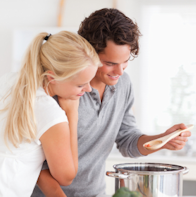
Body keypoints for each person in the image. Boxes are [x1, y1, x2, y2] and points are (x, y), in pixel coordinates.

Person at [32, 9, 191, 197]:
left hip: (96, 193)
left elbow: (127, 140)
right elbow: (35, 163)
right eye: (109, 63)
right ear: (88, 53)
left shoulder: (123, 84)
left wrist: (162, 140)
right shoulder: (58, 91)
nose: (120, 71)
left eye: (125, 61)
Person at [0, 31, 101, 197]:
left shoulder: (7, 80)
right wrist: (71, 112)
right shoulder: (49, 113)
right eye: (80, 85)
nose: (89, 89)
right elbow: (66, 176)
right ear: (52, 78)